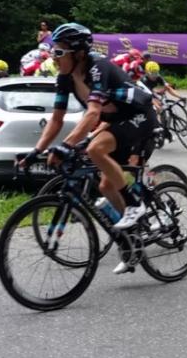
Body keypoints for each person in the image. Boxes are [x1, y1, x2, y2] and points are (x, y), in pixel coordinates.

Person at [19, 23, 156, 273]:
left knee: (95, 149)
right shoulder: (65, 78)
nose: (54, 57)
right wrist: (36, 151)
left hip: (140, 114)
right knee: (104, 185)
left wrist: (66, 145)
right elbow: (57, 119)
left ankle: (135, 205)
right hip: (116, 120)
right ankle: (134, 239)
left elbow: (93, 112)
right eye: (53, 52)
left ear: (78, 53)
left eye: (59, 52)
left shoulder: (97, 67)